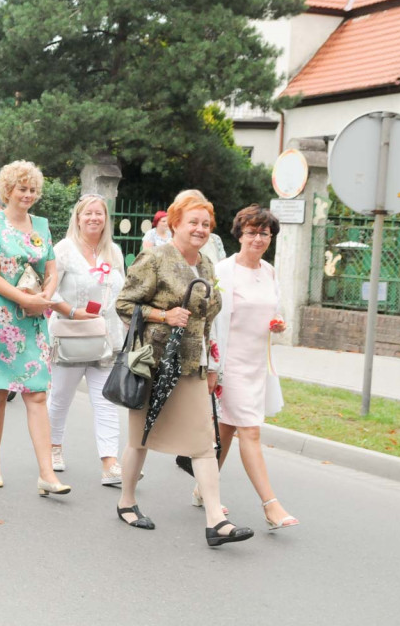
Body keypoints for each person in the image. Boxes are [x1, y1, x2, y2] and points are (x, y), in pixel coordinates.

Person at [114, 192, 255, 547]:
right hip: (155, 364)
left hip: (192, 364)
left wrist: (212, 366)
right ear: (174, 223)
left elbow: (207, 319)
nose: (200, 229)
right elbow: (124, 304)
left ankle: (216, 522)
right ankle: (126, 501)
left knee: (204, 444)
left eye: (206, 224)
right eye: (193, 222)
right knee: (140, 438)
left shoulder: (206, 265)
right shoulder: (155, 258)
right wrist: (163, 314)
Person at [0, 161, 67, 496]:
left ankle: (47, 473)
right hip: (0, 316)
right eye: (22, 189)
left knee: (38, 392)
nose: (28, 195)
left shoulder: (40, 225)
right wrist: (25, 300)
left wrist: (45, 294)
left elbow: (52, 266)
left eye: (32, 189)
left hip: (33, 318)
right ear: (8, 191)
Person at [212, 204, 299, 531]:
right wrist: (213, 366)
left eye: (265, 233)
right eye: (252, 232)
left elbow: (270, 311)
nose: (259, 238)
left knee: (227, 430)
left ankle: (204, 486)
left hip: (257, 363)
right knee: (249, 429)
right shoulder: (224, 270)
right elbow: (214, 321)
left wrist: (276, 325)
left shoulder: (270, 271)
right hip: (230, 363)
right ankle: (271, 506)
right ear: (240, 234)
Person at [46, 194, 126, 485]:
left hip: (105, 339)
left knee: (106, 401)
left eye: (99, 214)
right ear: (78, 218)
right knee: (60, 398)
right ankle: (53, 448)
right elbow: (48, 291)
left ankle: (110, 464)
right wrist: (72, 311)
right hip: (70, 337)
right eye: (88, 213)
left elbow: (122, 294)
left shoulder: (113, 252)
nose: (94, 218)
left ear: (106, 219)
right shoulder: (63, 250)